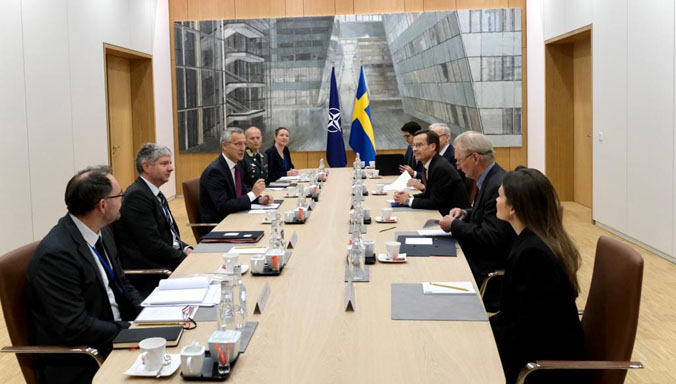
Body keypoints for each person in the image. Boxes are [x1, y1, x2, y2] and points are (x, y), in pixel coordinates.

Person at [26, 166, 143, 384]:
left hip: (113, 335)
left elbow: (122, 283)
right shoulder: (57, 255)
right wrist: (129, 330)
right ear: (102, 205)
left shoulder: (101, 232)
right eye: (120, 194)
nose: (123, 199)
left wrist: (147, 316)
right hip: (85, 357)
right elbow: (75, 326)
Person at [491, 167, 585, 384]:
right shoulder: (534, 239)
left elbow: (525, 329)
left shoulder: (534, 252)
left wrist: (480, 334)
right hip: (535, 347)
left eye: (500, 195)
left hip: (542, 365)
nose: (496, 200)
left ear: (513, 207)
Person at [438, 131, 515, 305]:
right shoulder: (490, 178)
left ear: (474, 158)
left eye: (459, 160)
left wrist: (454, 225)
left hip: (487, 268)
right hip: (481, 257)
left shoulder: (497, 185)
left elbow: (491, 235)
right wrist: (465, 212)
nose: (458, 166)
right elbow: (487, 213)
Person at [114, 143, 191, 295]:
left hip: (167, 261)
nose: (171, 168)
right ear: (146, 166)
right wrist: (185, 259)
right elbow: (152, 245)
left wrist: (187, 248)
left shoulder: (153, 193)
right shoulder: (137, 197)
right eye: (164, 164)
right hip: (154, 272)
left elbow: (168, 234)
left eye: (170, 163)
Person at [200, 127, 273, 229]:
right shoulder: (215, 172)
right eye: (238, 144)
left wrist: (259, 200)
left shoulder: (236, 166)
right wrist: (253, 194)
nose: (243, 148)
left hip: (236, 218)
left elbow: (242, 193)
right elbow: (224, 207)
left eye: (244, 144)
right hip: (220, 226)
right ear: (225, 146)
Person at [393, 130, 469, 215]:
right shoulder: (431, 163)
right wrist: (409, 197)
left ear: (432, 146)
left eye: (419, 145)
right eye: (413, 145)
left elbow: (435, 203)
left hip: (452, 217)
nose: (414, 149)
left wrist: (408, 201)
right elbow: (429, 194)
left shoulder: (440, 167)